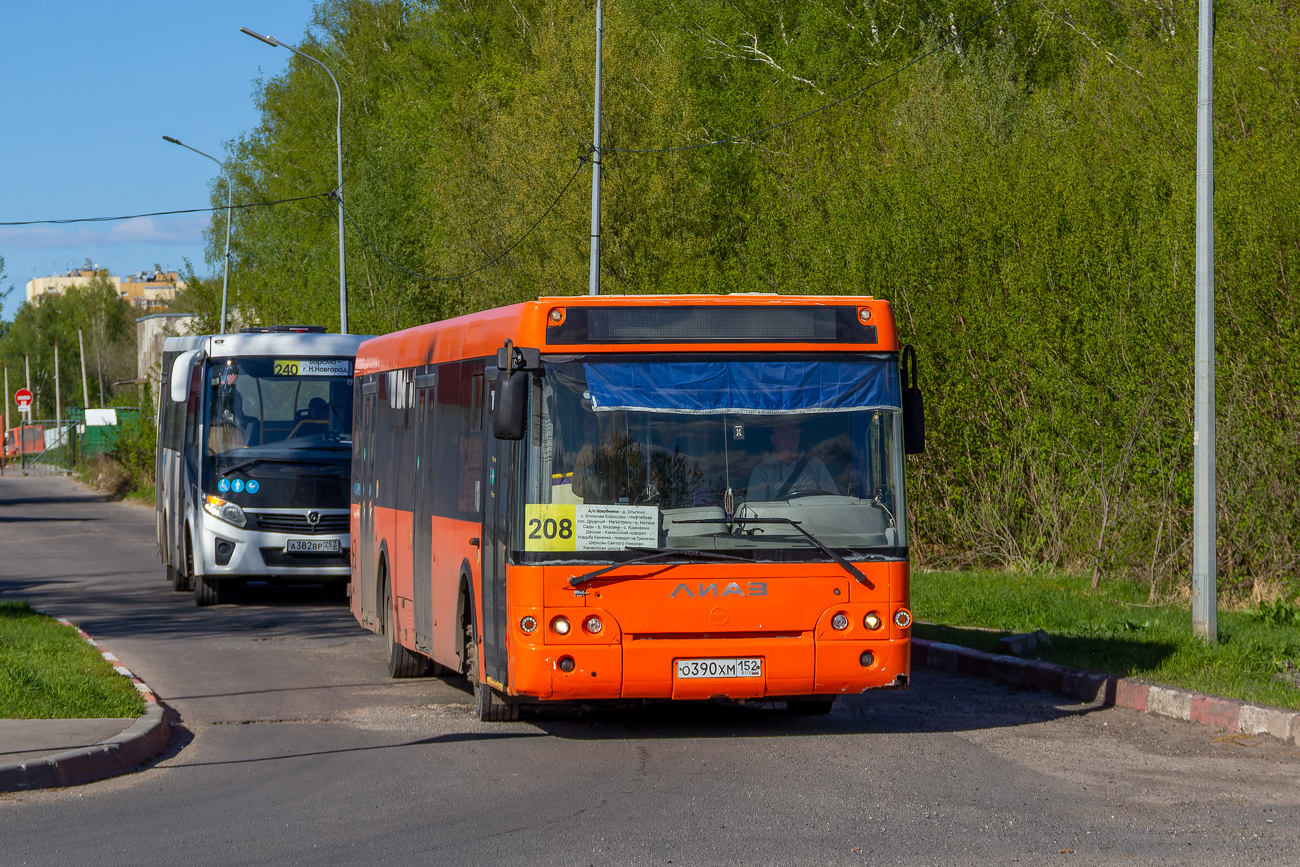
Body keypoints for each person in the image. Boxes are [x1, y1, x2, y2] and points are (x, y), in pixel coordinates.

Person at [745, 421, 839, 501]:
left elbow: (833, 501)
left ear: (799, 438)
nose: (790, 440)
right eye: (785, 436)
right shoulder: (762, 470)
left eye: (794, 435)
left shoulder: (815, 465)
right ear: (774, 439)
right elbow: (755, 512)